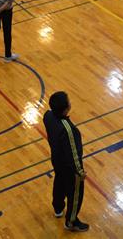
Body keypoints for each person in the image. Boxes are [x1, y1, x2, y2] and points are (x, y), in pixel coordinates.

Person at [43, 91, 89, 232]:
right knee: (75, 195)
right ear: (66, 109)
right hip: (69, 168)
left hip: (57, 160)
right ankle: (71, 221)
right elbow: (74, 154)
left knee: (59, 183)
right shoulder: (69, 130)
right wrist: (80, 172)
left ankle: (58, 208)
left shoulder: (48, 116)